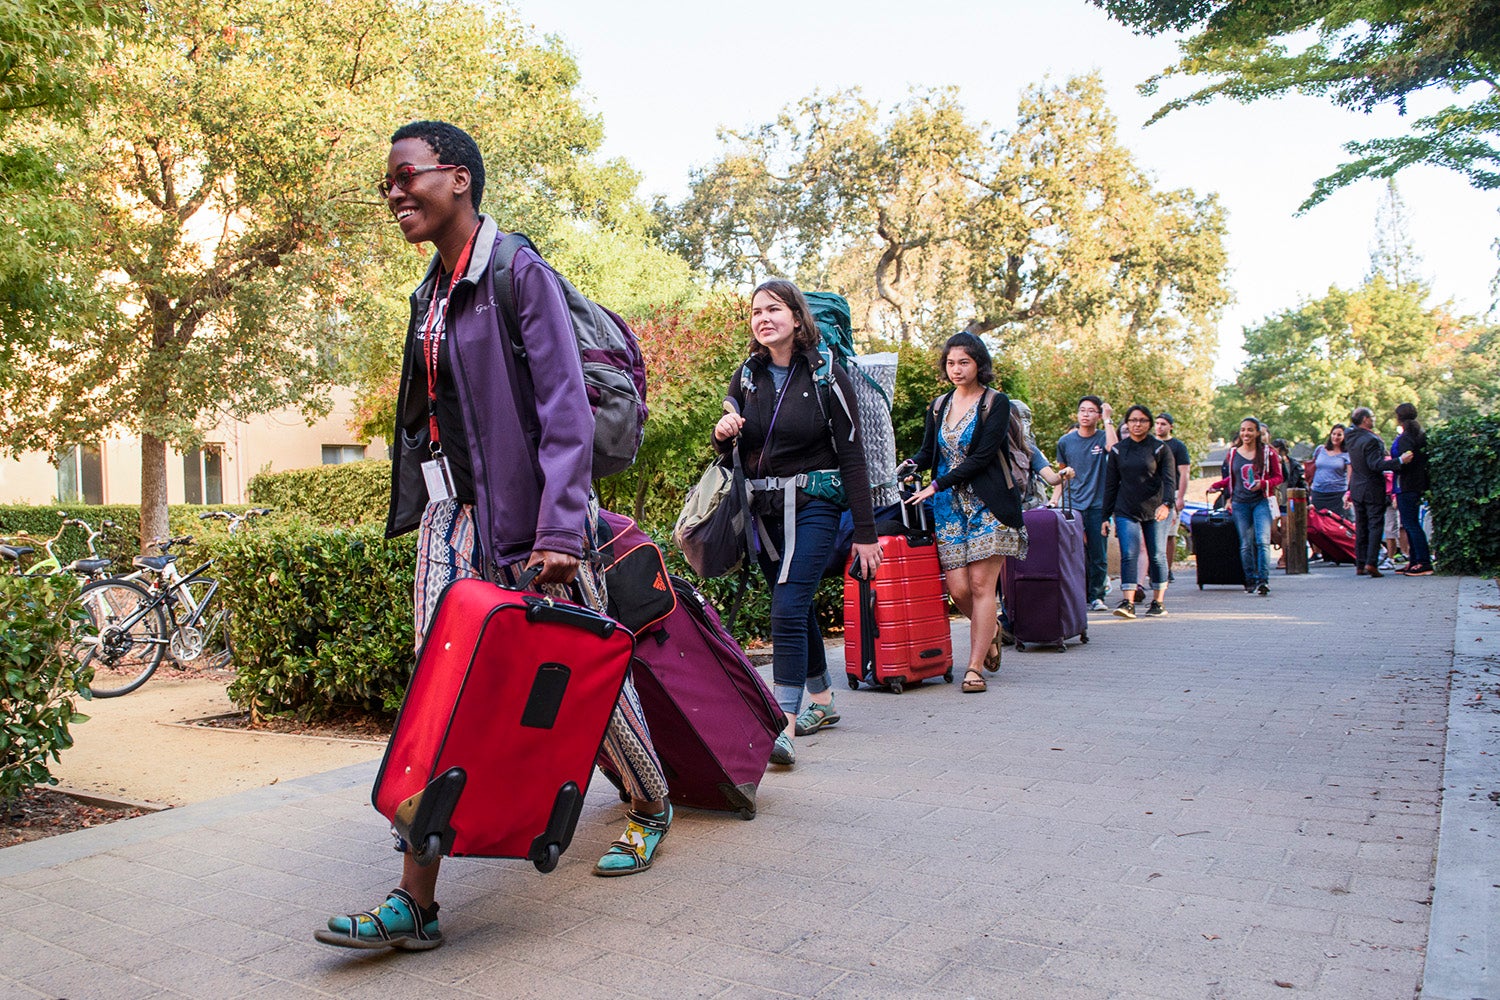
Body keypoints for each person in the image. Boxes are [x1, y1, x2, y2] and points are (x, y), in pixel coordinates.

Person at [318, 122, 673, 952]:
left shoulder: (518, 272)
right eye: (389, 184)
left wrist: (556, 529)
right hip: (452, 516)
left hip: (534, 521)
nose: (397, 193)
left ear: (460, 179)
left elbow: (564, 410)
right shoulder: (430, 295)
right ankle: (416, 900)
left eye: (408, 176)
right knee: (438, 689)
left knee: (582, 680)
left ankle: (650, 802)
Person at [713, 280, 880, 765]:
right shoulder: (747, 375)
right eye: (756, 311)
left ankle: (780, 725)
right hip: (763, 512)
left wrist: (865, 536)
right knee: (798, 607)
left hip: (815, 506)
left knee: (786, 606)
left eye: (774, 309)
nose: (763, 318)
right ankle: (824, 703)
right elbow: (734, 450)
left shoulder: (828, 374)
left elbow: (853, 458)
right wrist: (724, 434)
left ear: (797, 316)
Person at [906, 333, 1026, 693]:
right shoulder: (939, 405)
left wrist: (936, 485)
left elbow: (982, 457)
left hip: (989, 503)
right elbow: (930, 452)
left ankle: (973, 668)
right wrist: (910, 465)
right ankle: (990, 632)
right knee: (958, 589)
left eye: (964, 362)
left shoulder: (996, 403)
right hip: (948, 509)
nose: (956, 369)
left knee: (980, 585)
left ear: (979, 365)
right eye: (951, 363)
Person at [1101, 405, 1175, 617]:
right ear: (1126, 423)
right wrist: (1105, 516)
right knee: (1129, 553)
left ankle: (1158, 602)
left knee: (1157, 554)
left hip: (1156, 508)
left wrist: (1167, 504)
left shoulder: (1160, 449)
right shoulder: (1118, 450)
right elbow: (1111, 484)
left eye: (1142, 420)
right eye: (1133, 420)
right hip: (1126, 508)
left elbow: (1170, 481)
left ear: (1149, 424)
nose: (1137, 424)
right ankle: (1128, 602)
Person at [1055, 395, 1118, 611]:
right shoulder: (1065, 441)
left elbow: (1114, 448)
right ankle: (1074, 595)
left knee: (1098, 553)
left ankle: (1097, 595)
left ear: (1098, 415)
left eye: (1091, 411)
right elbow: (1061, 474)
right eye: (1082, 410)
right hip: (1073, 504)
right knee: (1072, 552)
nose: (1085, 414)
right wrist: (1055, 500)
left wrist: (1108, 420)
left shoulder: (1102, 437)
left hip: (1098, 505)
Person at [1207, 418, 1283, 596]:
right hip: (1240, 503)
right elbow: (1234, 479)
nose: (1246, 434)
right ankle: (1250, 580)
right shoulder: (1233, 453)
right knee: (1245, 543)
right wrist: (1218, 485)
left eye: (1250, 430)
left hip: (1261, 501)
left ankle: (1263, 580)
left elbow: (1278, 477)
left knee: (1262, 540)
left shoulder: (1267, 453)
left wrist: (1262, 483)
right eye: (1243, 430)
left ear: (1257, 433)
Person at [1344, 406, 1412, 578]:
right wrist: (1399, 461)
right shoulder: (1372, 440)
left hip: (1357, 486)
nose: (1374, 419)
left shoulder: (1350, 437)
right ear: (1365, 419)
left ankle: (1360, 562)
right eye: (1372, 417)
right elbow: (1376, 464)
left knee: (1361, 525)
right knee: (1375, 524)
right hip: (1372, 486)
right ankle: (1371, 562)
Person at [1391, 402, 1434, 575]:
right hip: (1416, 484)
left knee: (1410, 523)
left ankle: (1423, 561)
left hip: (1406, 485)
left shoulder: (1406, 437)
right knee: (1411, 523)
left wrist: (1394, 463)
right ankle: (1415, 560)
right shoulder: (1419, 434)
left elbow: (1404, 461)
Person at [1154, 413, 1191, 584]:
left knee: (1169, 534)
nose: (1159, 427)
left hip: (1172, 493)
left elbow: (1184, 473)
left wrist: (1180, 497)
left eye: (1163, 424)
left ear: (1171, 426)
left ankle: (1167, 570)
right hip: (1152, 494)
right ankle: (1153, 568)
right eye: (1157, 423)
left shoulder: (1178, 446)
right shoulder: (1149, 444)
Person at [1308, 424, 1351, 518]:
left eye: (1339, 435)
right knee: (1317, 521)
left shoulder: (1347, 454)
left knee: (1334, 523)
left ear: (1344, 437)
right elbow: (1313, 467)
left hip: (1337, 494)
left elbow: (1350, 477)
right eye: (1333, 434)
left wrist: (1348, 494)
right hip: (1318, 492)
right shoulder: (1320, 449)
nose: (1335, 437)